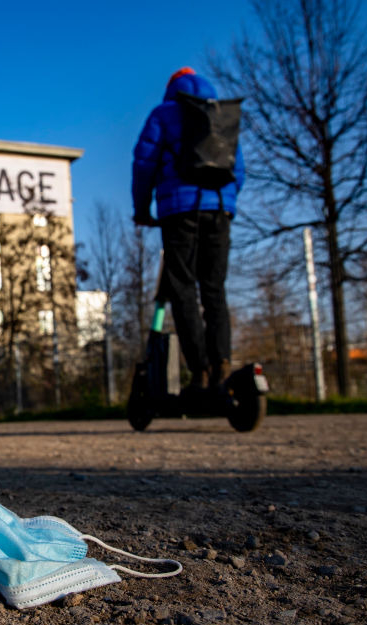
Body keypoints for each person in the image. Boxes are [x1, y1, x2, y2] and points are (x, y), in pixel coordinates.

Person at [132, 67, 245, 393]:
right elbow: (239, 169)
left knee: (182, 289)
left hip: (179, 212)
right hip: (220, 210)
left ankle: (201, 371)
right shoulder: (220, 114)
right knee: (214, 289)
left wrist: (142, 209)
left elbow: (144, 163)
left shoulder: (164, 114)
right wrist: (225, 201)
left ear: (172, 89)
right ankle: (222, 362)